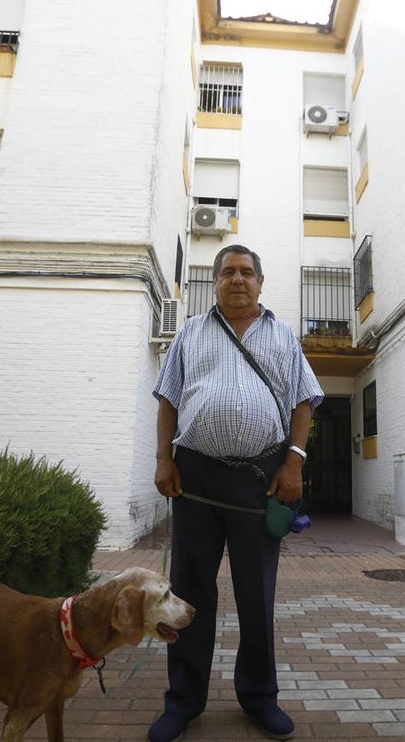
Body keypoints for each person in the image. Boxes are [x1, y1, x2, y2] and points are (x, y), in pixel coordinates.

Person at [148, 244, 324, 742]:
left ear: (261, 282)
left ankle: (259, 698)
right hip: (196, 478)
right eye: (228, 272)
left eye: (247, 272)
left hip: (261, 478)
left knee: (256, 592)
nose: (238, 279)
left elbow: (304, 403)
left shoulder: (282, 335)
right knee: (188, 592)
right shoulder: (190, 333)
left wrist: (294, 464)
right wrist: (164, 459)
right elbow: (168, 401)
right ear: (215, 281)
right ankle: (183, 701)